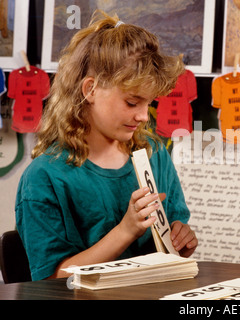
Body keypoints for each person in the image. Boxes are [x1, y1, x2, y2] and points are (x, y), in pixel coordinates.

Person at [15, 11, 198, 281]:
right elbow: (50, 280)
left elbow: (170, 234)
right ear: (90, 90)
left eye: (150, 103)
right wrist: (126, 230)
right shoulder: (44, 177)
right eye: (132, 102)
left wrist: (180, 237)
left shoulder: (154, 153)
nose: (144, 116)